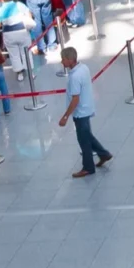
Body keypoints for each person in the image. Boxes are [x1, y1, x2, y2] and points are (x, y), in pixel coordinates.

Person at [58, 47, 112, 178]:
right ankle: (104, 153)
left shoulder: (74, 77)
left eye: (63, 59)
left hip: (80, 112)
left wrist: (65, 116)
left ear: (70, 60)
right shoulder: (84, 68)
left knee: (83, 140)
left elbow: (75, 99)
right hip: (87, 107)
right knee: (86, 135)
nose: (61, 62)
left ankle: (88, 167)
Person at [0, 0, 34, 81]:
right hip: (22, 31)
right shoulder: (19, 4)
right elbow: (29, 15)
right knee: (26, 53)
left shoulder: (0, 10)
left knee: (14, 55)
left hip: (9, 34)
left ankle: (20, 73)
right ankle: (30, 73)